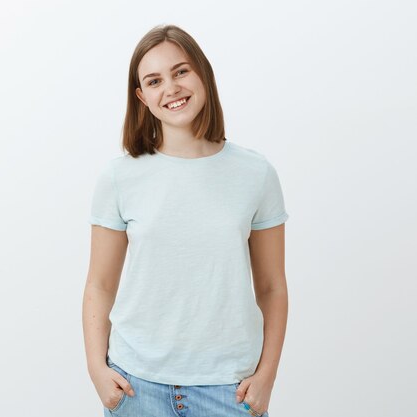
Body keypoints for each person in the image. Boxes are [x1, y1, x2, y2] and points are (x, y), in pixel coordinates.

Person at [82, 24, 288, 417]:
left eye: (181, 71)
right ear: (142, 97)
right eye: (154, 80)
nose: (171, 88)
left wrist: (267, 376)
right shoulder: (119, 178)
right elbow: (100, 284)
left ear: (202, 74)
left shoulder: (255, 173)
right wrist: (97, 368)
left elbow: (272, 286)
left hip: (230, 388)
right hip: (135, 386)